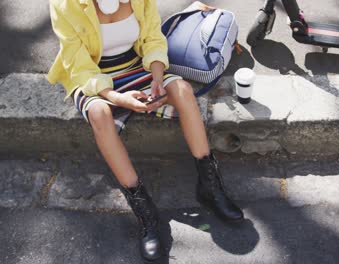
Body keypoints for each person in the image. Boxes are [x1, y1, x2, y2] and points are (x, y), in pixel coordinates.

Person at [47, 0, 244, 261]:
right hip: (94, 76)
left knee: (183, 90)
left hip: (136, 65)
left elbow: (153, 38)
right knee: (99, 113)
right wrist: (116, 98)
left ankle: (209, 183)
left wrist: (158, 78)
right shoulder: (64, 4)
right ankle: (145, 211)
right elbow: (79, 65)